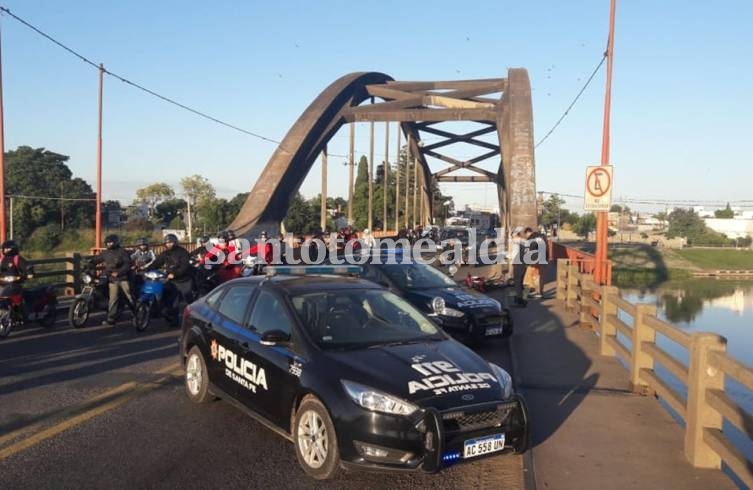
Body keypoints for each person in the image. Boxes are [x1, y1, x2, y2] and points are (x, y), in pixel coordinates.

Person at [92, 234, 135, 325]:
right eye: (107, 243)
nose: (109, 244)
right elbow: (97, 259)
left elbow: (127, 264)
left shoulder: (122, 252)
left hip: (123, 278)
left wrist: (119, 272)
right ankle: (111, 318)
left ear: (116, 242)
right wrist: (89, 264)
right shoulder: (106, 253)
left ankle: (137, 313)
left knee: (129, 296)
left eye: (111, 242)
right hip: (112, 279)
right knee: (113, 299)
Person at [151, 233, 193, 325]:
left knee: (189, 300)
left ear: (175, 242)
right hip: (171, 280)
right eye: (167, 243)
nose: (169, 244)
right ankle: (172, 318)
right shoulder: (165, 253)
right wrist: (147, 270)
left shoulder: (182, 252)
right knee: (171, 300)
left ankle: (195, 318)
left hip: (184, 280)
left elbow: (184, 266)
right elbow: (157, 263)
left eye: (171, 242)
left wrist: (175, 274)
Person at [508, 230, 527, 307]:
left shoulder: (516, 243)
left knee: (517, 283)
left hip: (518, 264)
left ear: (515, 236)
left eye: (512, 237)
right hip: (524, 264)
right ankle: (521, 299)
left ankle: (520, 302)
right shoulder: (525, 241)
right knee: (520, 283)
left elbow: (514, 255)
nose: (512, 238)